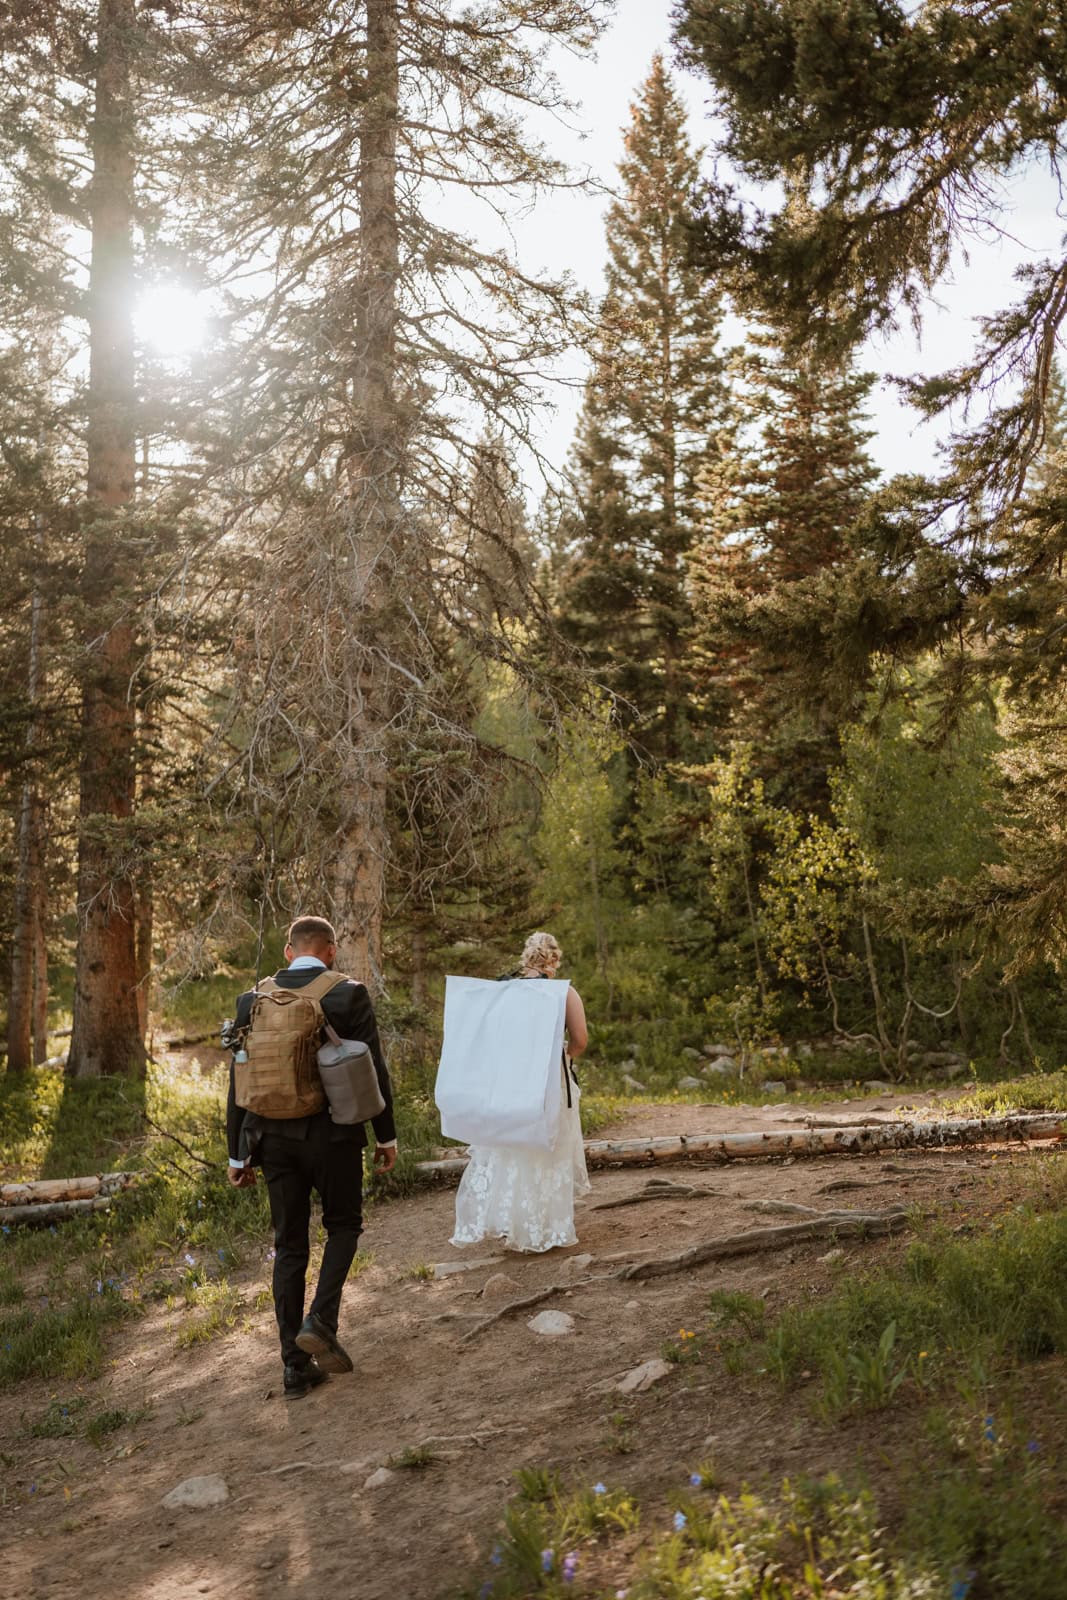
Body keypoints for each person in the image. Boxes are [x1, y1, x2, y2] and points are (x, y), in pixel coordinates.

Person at [225, 915, 397, 1399]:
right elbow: (372, 1068)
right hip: (334, 1135)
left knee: (290, 1245)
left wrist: (237, 1155)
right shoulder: (347, 994)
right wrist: (386, 1136)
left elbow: (236, 1083)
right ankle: (320, 1319)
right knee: (343, 1226)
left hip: (269, 1140)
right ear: (330, 951)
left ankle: (294, 1369)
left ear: (288, 952)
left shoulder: (251, 1001)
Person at [450, 931, 590, 1253]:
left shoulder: (502, 991)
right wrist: (565, 1054)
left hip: (509, 1080)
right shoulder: (564, 994)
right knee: (549, 1148)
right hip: (548, 1081)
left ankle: (513, 1223)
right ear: (553, 960)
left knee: (510, 1149)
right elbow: (580, 1040)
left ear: (526, 958)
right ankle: (544, 1226)